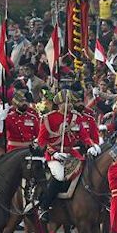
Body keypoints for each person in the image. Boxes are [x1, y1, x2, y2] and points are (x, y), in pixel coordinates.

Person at [37, 89, 101, 223]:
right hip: (55, 153)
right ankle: (44, 206)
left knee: (87, 171)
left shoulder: (75, 117)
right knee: (59, 176)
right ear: (59, 104)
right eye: (67, 103)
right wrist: (53, 152)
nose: (70, 105)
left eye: (71, 102)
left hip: (72, 153)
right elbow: (42, 141)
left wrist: (92, 145)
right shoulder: (49, 118)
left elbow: (84, 136)